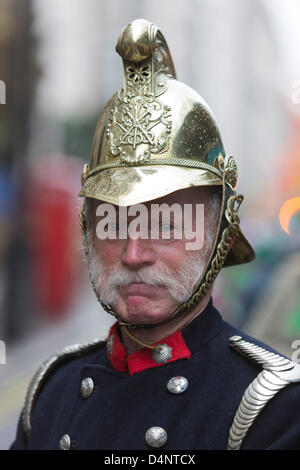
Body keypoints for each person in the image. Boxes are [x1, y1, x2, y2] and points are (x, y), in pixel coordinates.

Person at [10, 19, 300, 451]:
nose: (133, 252)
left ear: (219, 230)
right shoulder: (51, 392)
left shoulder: (272, 407)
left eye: (164, 224)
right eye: (114, 221)